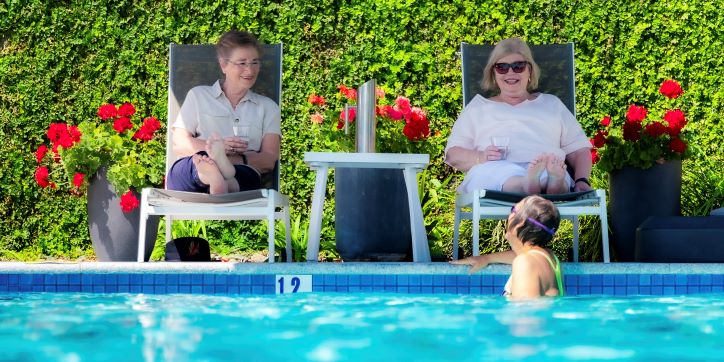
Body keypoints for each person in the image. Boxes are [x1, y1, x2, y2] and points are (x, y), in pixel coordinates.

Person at [445, 38, 592, 195]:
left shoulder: (552, 104)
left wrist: (581, 180)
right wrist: (480, 156)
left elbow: (579, 150)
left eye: (518, 66)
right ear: (493, 73)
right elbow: (453, 154)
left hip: (546, 166)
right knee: (498, 174)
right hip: (495, 167)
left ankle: (550, 182)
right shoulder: (478, 108)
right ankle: (534, 184)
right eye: (502, 67)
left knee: (550, 173)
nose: (510, 72)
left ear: (530, 70)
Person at [166, 30, 281, 194]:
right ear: (223, 65)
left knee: (248, 177)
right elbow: (180, 144)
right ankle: (214, 175)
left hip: (241, 170)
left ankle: (220, 177)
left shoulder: (268, 107)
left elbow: (269, 159)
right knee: (192, 166)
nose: (250, 70)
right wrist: (214, 150)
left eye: (255, 62)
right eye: (242, 63)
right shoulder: (198, 95)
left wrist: (229, 158)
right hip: (197, 164)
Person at [451, 195, 564, 298]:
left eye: (513, 210)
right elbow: (523, 256)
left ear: (521, 222)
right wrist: (486, 258)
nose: (508, 216)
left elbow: (527, 316)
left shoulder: (524, 263)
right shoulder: (550, 258)